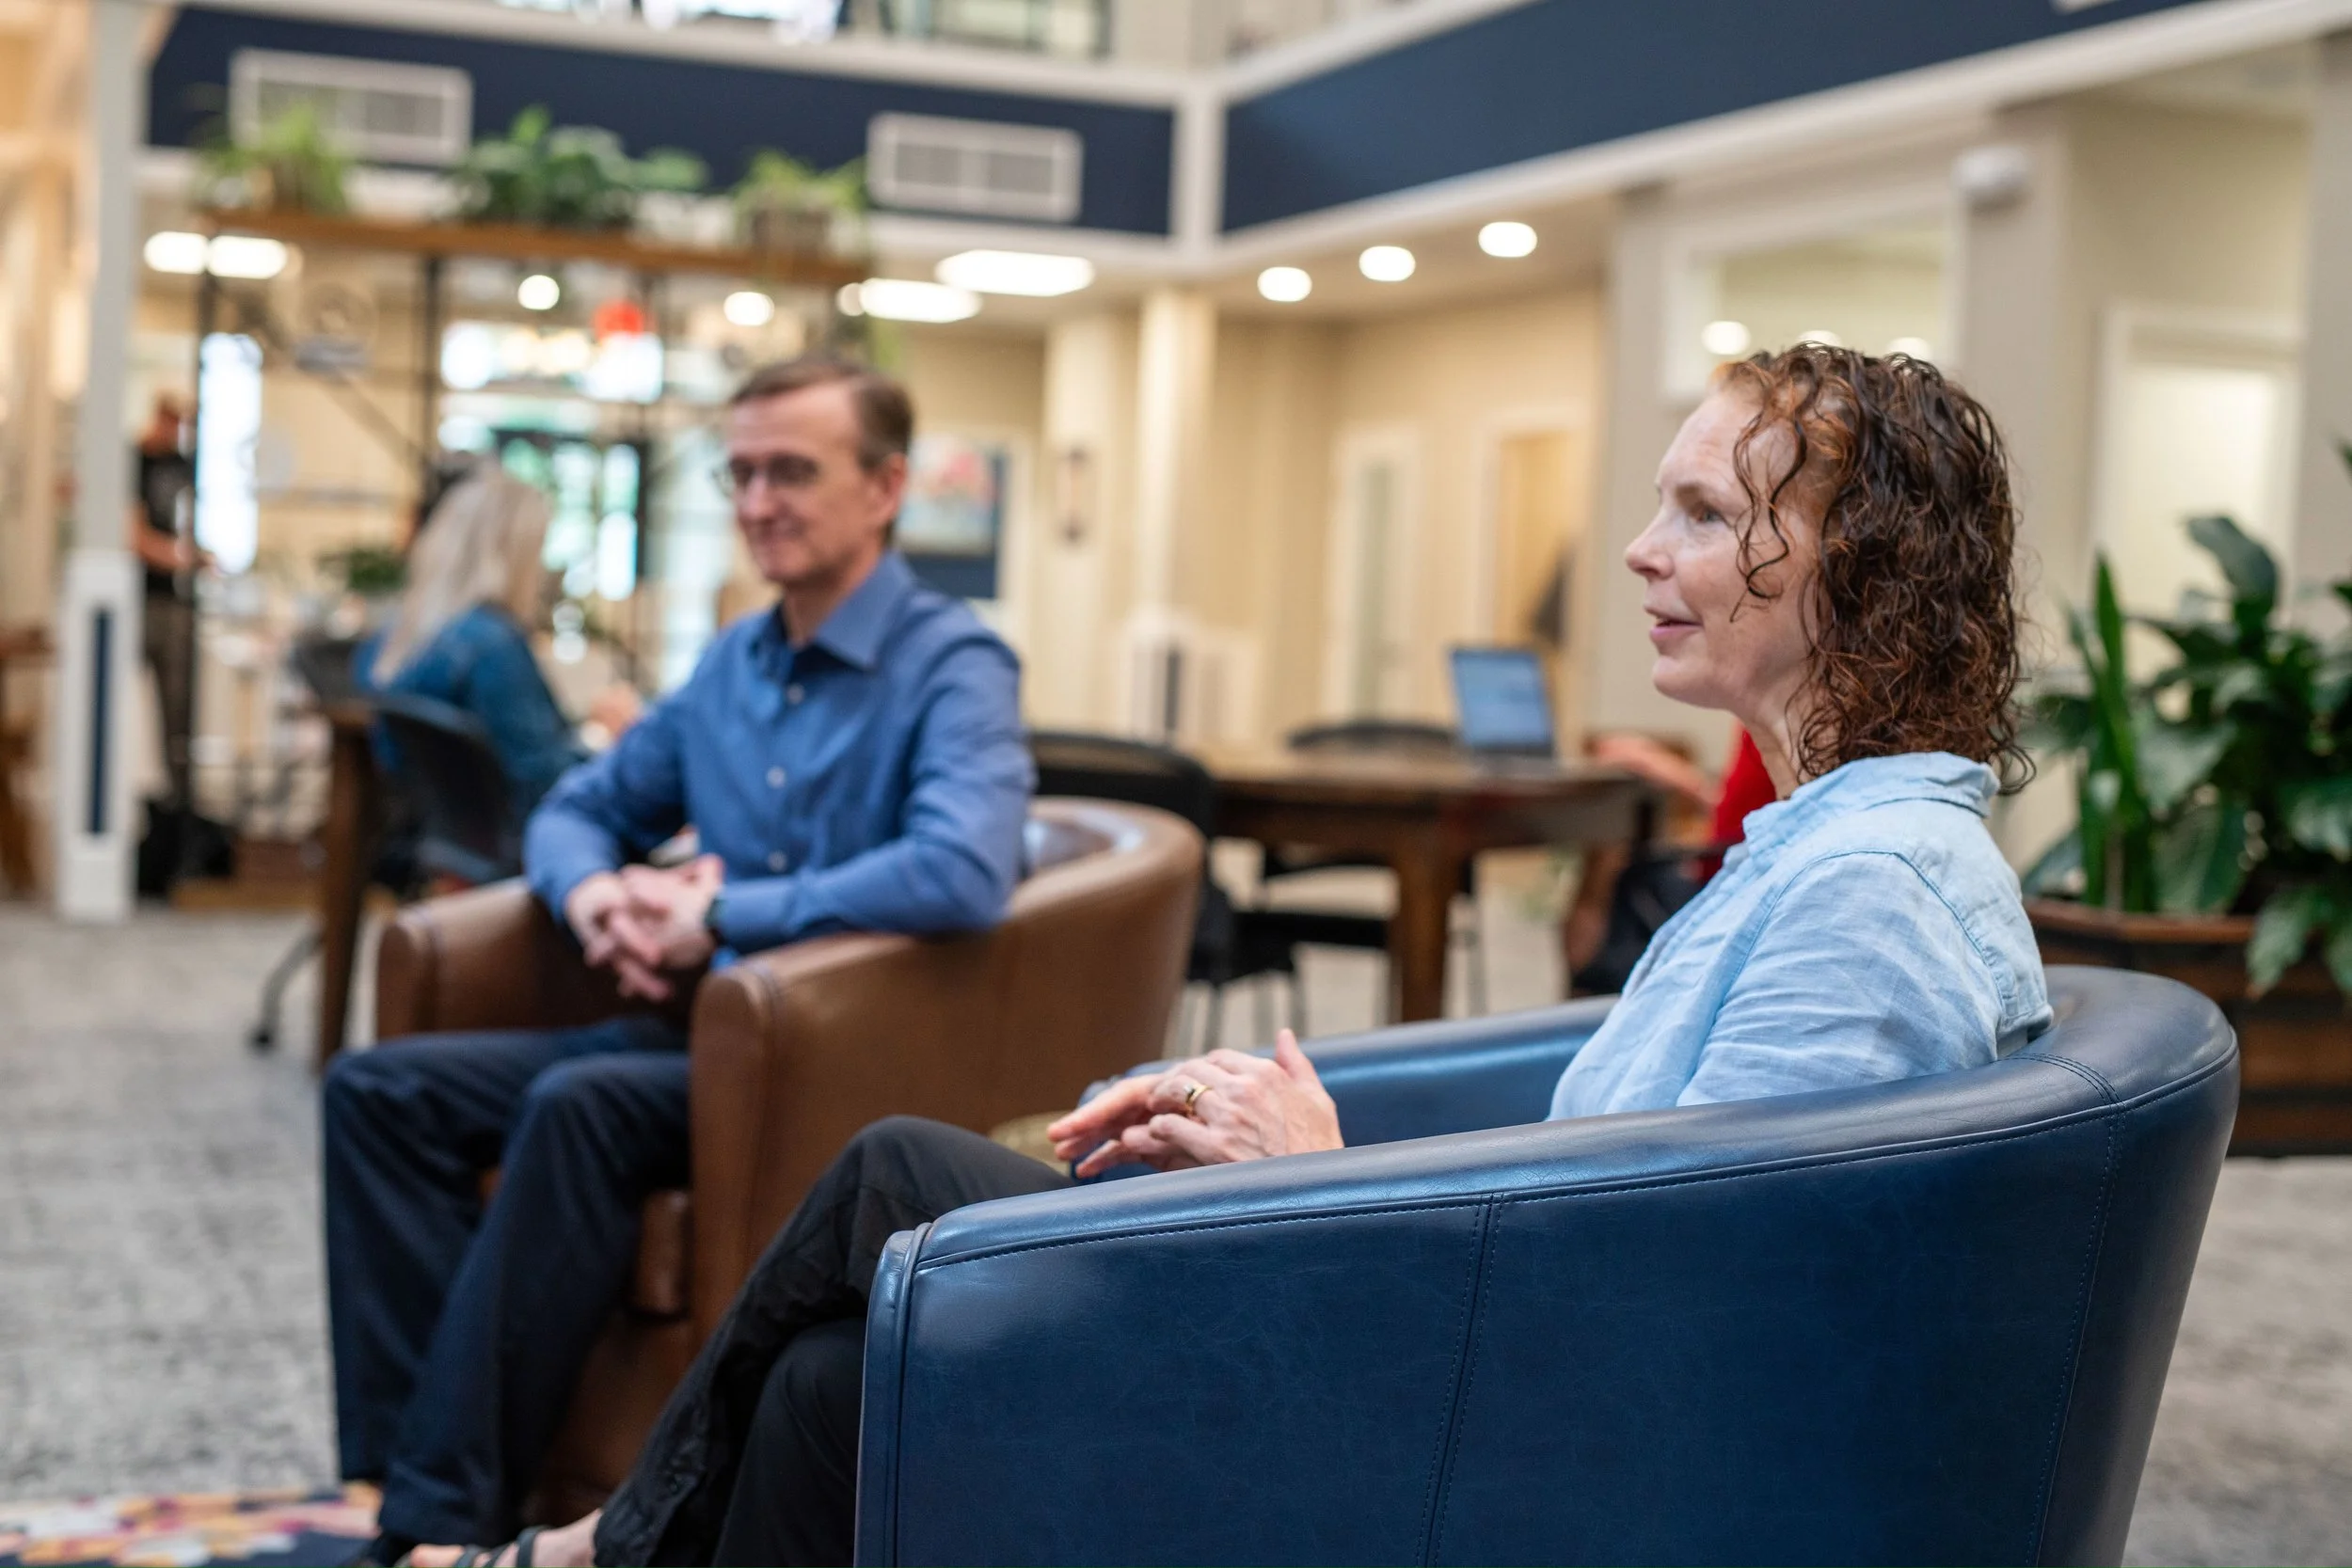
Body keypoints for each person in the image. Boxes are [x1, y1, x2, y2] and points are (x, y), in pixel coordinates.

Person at [416, 342, 2053, 1568]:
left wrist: (1328, 1177)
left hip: (1476, 1400)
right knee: (833, 1378)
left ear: (1853, 570)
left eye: (1700, 511)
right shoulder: (1836, 847)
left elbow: (1696, 1321)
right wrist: (1303, 1149)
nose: (1639, 547)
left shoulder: (1874, 896)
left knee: (896, 1177)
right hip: (1461, 1315)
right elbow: (1647, 1195)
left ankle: (599, 1547)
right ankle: (610, 1543)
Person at [328, 357, 1034, 1566]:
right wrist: (595, 891)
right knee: (378, 1092)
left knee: (578, 1102)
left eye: (793, 471)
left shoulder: (952, 662)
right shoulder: (733, 663)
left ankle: (428, 1527)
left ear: (885, 488)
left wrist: (728, 914)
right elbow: (577, 806)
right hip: (691, 1030)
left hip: (830, 1053)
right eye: (743, 471)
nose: (759, 500)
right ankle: (421, 1481)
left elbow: (961, 867)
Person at [356, 469, 593, 823]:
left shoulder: (396, 638)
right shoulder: (493, 644)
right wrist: (619, 751)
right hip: (520, 835)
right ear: (515, 554)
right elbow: (543, 777)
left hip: (443, 832)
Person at [129, 393, 202, 819]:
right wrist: (181, 556)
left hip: (177, 604)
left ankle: (176, 813)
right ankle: (143, 809)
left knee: (177, 712)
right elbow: (133, 537)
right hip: (139, 603)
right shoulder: (133, 461)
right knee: (133, 709)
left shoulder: (185, 464)